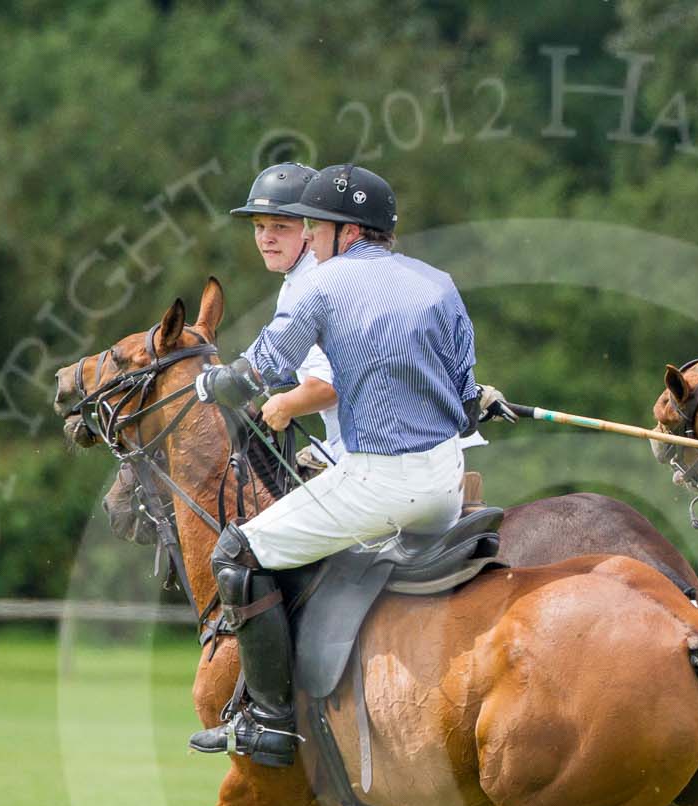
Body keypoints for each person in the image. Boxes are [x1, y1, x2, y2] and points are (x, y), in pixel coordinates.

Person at [186, 164, 512, 766]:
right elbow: (467, 399)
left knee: (235, 552)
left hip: (381, 483)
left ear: (348, 232)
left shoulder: (322, 286)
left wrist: (210, 383)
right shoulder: (437, 281)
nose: (308, 239)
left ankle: (271, 721)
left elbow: (260, 372)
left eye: (315, 227)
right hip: (445, 479)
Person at [228, 161, 345, 459]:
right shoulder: (300, 279)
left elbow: (331, 386)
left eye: (280, 226)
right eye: (259, 226)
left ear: (311, 228)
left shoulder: (316, 282)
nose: (266, 238)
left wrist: (285, 405)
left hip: (372, 457)